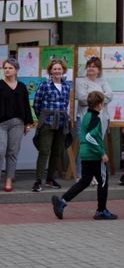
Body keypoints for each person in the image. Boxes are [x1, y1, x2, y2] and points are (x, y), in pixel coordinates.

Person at [51, 91, 118, 220]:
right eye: (102, 102)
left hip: (85, 153)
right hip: (94, 155)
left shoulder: (86, 115)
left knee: (85, 181)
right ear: (99, 105)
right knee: (103, 181)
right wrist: (102, 153)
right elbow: (89, 136)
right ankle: (101, 210)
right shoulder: (95, 118)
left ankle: (62, 201)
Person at [0, 58, 33, 192]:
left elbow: (26, 105)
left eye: (10, 68)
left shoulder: (22, 86)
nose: (7, 70)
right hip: (0, 123)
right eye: (5, 67)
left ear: (16, 70)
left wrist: (28, 123)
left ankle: (8, 179)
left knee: (13, 152)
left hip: (17, 123)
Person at [32, 59, 71, 192]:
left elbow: (66, 104)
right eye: (54, 69)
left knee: (57, 151)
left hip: (61, 122)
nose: (57, 71)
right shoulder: (45, 85)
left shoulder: (66, 86)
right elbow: (36, 103)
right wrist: (43, 117)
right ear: (50, 71)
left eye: (59, 69)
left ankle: (50, 179)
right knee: (44, 151)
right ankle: (38, 180)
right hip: (47, 122)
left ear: (63, 70)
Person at [75, 56, 112, 179]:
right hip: (85, 117)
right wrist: (100, 97)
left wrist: (92, 97)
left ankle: (96, 175)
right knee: (85, 145)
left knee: (97, 145)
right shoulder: (81, 81)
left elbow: (110, 96)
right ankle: (81, 174)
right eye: (89, 66)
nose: (91, 68)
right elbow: (82, 99)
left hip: (101, 119)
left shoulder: (103, 81)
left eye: (94, 66)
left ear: (99, 69)